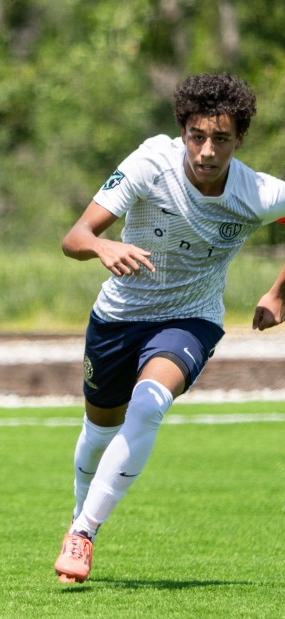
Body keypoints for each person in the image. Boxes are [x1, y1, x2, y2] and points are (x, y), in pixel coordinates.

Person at [53, 73, 285, 584]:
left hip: (190, 319)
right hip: (117, 319)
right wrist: (103, 246)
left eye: (221, 138)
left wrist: (278, 294)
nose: (207, 151)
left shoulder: (257, 193)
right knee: (98, 432)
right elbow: (75, 237)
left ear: (240, 139)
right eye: (197, 136)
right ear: (183, 131)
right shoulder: (149, 164)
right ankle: (78, 513)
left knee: (149, 403)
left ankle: (84, 532)